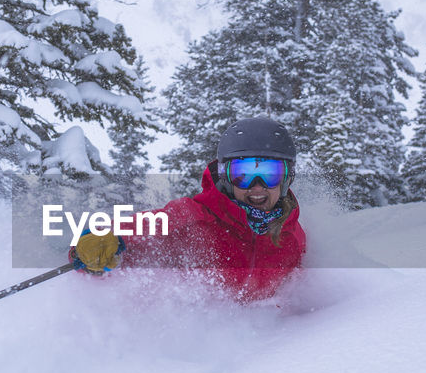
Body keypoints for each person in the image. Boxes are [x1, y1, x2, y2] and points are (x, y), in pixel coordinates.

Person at [70, 117, 307, 300]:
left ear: (287, 178)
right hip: (196, 355)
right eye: (242, 175)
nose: (258, 187)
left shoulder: (293, 237)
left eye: (271, 174)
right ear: (225, 176)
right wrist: (98, 241)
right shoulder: (192, 219)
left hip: (272, 351)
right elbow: (134, 229)